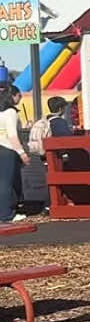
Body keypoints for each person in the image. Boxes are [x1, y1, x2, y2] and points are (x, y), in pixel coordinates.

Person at [0, 83, 29, 224]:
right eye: (19, 95)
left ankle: (6, 210)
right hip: (8, 149)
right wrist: (22, 152)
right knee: (7, 183)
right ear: (12, 96)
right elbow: (12, 135)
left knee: (3, 182)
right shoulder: (11, 112)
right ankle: (6, 214)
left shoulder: (1, 112)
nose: (20, 98)